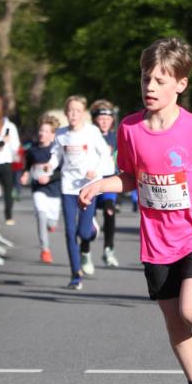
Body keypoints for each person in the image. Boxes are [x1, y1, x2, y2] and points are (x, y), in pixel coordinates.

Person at [79, 37, 192, 384]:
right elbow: (130, 178)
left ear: (180, 85)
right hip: (157, 241)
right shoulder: (130, 129)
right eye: (145, 78)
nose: (149, 87)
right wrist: (102, 184)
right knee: (175, 322)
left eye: (159, 80)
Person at [52, 95, 111, 290]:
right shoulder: (60, 134)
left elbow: (105, 154)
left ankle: (91, 229)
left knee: (83, 232)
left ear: (84, 113)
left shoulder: (92, 132)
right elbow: (56, 157)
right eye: (70, 111)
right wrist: (47, 167)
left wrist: (97, 171)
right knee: (70, 233)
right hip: (68, 187)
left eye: (77, 111)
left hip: (88, 185)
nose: (73, 114)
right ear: (66, 113)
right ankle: (75, 274)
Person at [20, 114, 62, 263]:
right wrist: (25, 175)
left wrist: (49, 178)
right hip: (38, 189)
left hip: (55, 191)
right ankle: (45, 249)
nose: (41, 134)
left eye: (45, 131)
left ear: (52, 134)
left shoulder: (57, 151)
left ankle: (50, 226)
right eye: (40, 131)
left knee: (51, 222)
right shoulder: (32, 150)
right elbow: (27, 166)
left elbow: (62, 172)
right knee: (41, 216)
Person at [90, 99, 120, 267]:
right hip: (92, 181)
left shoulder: (115, 137)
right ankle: (85, 249)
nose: (104, 123)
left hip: (109, 179)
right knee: (89, 223)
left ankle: (109, 249)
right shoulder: (89, 135)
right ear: (95, 120)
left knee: (110, 211)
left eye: (107, 120)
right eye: (101, 119)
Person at [0, 97, 21, 225]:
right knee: (8, 190)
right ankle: (8, 216)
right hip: (6, 161)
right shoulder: (10, 126)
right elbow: (15, 145)